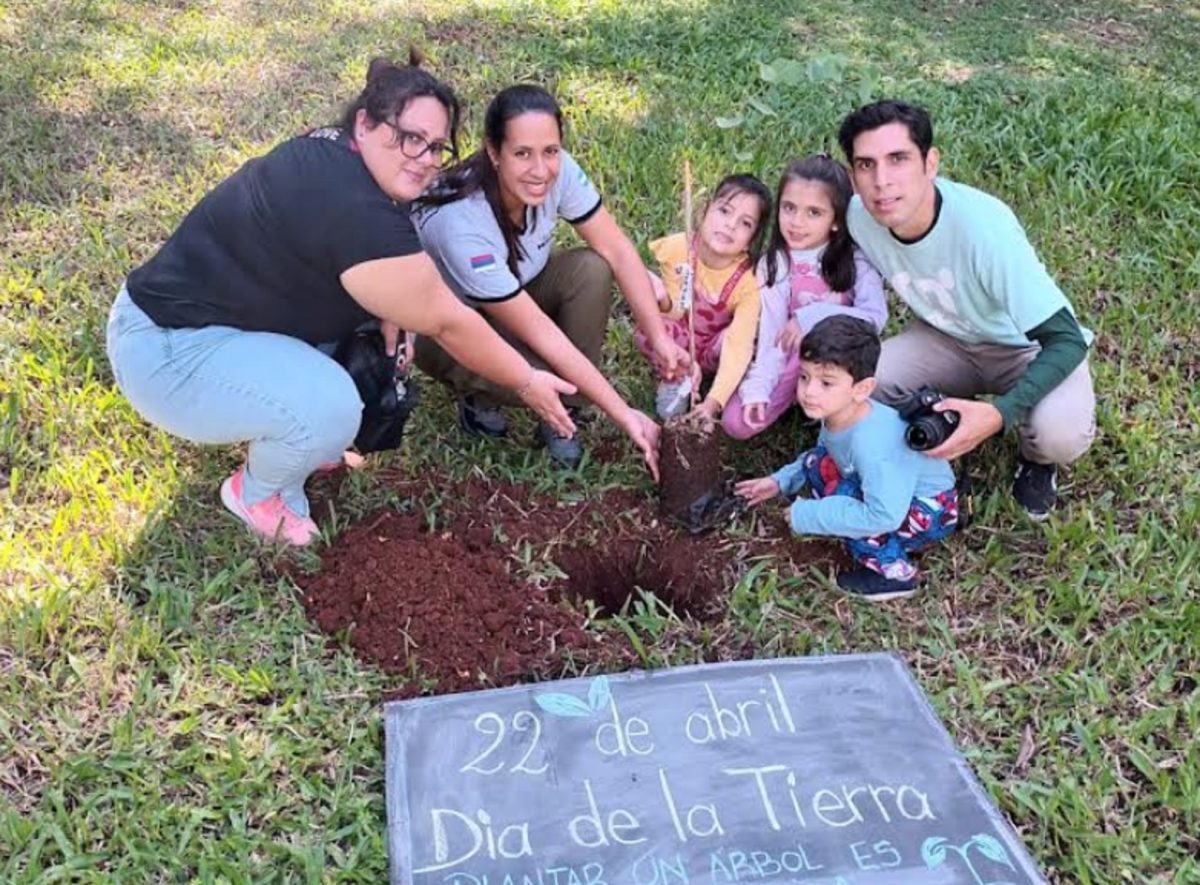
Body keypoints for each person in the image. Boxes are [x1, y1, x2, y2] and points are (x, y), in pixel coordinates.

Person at [105, 53, 580, 547]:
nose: (425, 158)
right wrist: (526, 381)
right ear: (365, 123)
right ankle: (258, 493)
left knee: (368, 344)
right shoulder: (351, 205)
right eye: (410, 138)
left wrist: (388, 311)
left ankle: (297, 430)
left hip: (214, 326)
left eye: (437, 146)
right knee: (331, 408)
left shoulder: (342, 158)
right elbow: (447, 320)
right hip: (165, 352)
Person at [837, 99, 1096, 519]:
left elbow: (1066, 340)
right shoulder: (859, 217)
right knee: (860, 382)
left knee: (1058, 434)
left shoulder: (983, 229)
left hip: (1024, 348)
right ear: (852, 176)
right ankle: (935, 415)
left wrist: (999, 414)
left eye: (898, 159)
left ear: (930, 163)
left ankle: (1036, 462)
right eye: (866, 165)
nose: (881, 181)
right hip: (945, 339)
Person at [413, 84, 680, 469]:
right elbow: (540, 332)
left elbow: (618, 250)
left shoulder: (559, 170)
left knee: (591, 269)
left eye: (550, 151)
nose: (541, 170)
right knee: (535, 373)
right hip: (448, 332)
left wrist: (659, 337)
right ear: (494, 152)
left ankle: (565, 409)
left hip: (513, 292)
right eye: (522, 153)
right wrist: (624, 415)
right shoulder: (461, 223)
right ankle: (483, 394)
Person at [735, 316, 959, 601]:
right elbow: (824, 453)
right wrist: (779, 482)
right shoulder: (840, 413)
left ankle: (895, 575)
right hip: (895, 493)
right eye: (804, 377)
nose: (809, 392)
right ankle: (867, 529)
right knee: (817, 462)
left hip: (929, 510)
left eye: (826, 383)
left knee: (852, 505)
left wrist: (810, 515)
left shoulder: (872, 444)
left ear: (862, 389)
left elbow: (883, 515)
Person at [722, 155, 887, 439]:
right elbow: (773, 334)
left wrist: (812, 316)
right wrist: (759, 387)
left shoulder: (856, 260)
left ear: (836, 221)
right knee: (736, 423)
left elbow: (875, 318)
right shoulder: (775, 264)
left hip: (845, 359)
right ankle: (797, 393)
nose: (796, 222)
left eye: (814, 213)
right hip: (794, 358)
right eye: (789, 208)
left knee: (872, 401)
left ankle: (832, 414)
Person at [635, 173, 772, 422]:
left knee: (750, 343)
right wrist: (663, 300)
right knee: (650, 326)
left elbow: (738, 345)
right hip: (678, 341)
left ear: (751, 240)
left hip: (714, 350)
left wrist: (713, 402)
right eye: (724, 211)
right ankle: (675, 377)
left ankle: (723, 386)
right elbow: (675, 312)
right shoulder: (679, 248)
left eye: (745, 223)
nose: (731, 224)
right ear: (704, 210)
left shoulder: (748, 282)